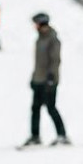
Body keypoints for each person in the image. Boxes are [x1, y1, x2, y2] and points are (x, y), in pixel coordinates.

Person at [22, 12, 69, 146]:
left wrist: (51, 77)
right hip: (38, 79)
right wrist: (33, 78)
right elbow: (38, 62)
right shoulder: (40, 39)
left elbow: (55, 60)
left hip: (49, 80)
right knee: (35, 108)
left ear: (41, 23)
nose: (34, 26)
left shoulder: (53, 39)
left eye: (36, 24)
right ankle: (35, 136)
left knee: (51, 108)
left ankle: (62, 135)